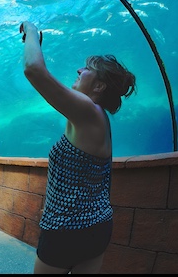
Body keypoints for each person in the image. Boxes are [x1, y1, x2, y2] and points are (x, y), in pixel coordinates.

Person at [20, 21, 136, 274]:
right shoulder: (100, 119)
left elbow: (34, 70)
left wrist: (31, 31)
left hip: (65, 230)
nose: (79, 69)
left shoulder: (88, 111)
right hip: (98, 226)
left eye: (87, 69)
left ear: (99, 86)